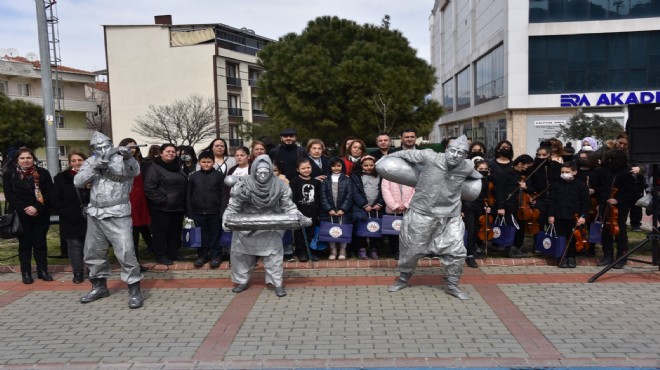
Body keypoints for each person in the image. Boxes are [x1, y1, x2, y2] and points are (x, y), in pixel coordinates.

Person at [386, 135, 481, 300]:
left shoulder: (466, 166)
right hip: (422, 213)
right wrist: (385, 160)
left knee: (457, 251)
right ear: (446, 150)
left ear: (465, 156)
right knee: (412, 249)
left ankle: (452, 284)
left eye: (460, 152)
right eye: (452, 150)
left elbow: (477, 179)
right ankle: (403, 278)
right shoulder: (429, 156)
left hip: (450, 216)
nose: (455, 155)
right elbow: (403, 155)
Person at [223, 155, 310, 297]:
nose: (262, 175)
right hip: (246, 224)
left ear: (270, 171)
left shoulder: (281, 186)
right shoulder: (242, 184)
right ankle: (242, 281)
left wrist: (300, 217)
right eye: (259, 172)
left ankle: (277, 283)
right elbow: (233, 206)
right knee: (240, 255)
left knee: (274, 256)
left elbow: (289, 207)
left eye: (265, 172)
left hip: (270, 224)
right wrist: (226, 218)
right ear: (253, 170)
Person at [74, 132, 143, 308]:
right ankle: (99, 286)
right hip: (95, 213)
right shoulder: (90, 162)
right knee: (93, 252)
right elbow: (78, 182)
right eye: (99, 148)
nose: (103, 150)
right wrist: (95, 167)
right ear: (93, 149)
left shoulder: (122, 160)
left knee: (126, 252)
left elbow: (135, 171)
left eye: (106, 146)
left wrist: (128, 158)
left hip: (118, 213)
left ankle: (134, 290)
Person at [3, 148, 54, 285]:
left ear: (34, 159)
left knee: (40, 243)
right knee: (25, 244)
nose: (26, 161)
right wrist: (26, 209)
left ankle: (43, 270)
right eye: (22, 158)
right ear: (17, 160)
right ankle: (26, 273)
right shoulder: (10, 175)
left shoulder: (43, 173)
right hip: (21, 215)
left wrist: (36, 207)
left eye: (28, 158)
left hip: (40, 213)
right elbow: (10, 196)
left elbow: (49, 193)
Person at [144, 143, 188, 266]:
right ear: (161, 153)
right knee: (160, 232)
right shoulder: (154, 167)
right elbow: (149, 188)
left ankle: (173, 252)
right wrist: (162, 200)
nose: (171, 153)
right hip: (161, 208)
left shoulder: (178, 167)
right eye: (168, 151)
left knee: (175, 231)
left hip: (178, 207)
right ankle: (161, 255)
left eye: (173, 152)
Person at [51, 150, 90, 284]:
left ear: (85, 161)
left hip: (90, 216)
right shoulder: (61, 177)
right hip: (70, 218)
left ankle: (92, 271)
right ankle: (78, 272)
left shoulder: (93, 175)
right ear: (69, 163)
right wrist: (64, 212)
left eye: (80, 160)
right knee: (75, 246)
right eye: (73, 160)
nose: (77, 163)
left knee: (91, 246)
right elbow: (55, 198)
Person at [598, 149, 636, 268]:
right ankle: (607, 256)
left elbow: (632, 192)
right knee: (605, 229)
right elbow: (600, 188)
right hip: (605, 204)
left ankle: (621, 256)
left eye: (612, 160)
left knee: (619, 229)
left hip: (620, 206)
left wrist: (618, 200)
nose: (610, 162)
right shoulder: (603, 171)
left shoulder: (625, 173)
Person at [548, 162, 590, 268]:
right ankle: (562, 257)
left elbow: (585, 202)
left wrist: (583, 216)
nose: (564, 174)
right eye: (562, 172)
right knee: (561, 237)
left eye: (567, 172)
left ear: (574, 172)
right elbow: (552, 201)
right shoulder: (556, 185)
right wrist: (551, 215)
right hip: (559, 215)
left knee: (573, 238)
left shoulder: (581, 185)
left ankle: (572, 257)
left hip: (574, 216)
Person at [187, 151, 225, 268]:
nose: (206, 164)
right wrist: (189, 212)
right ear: (199, 162)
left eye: (209, 162)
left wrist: (222, 211)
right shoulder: (194, 177)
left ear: (213, 162)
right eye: (204, 162)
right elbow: (189, 195)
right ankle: (202, 255)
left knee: (215, 235)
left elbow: (223, 195)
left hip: (214, 211)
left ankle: (215, 255)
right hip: (198, 211)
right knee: (200, 235)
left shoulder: (219, 176)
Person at [118, 138, 151, 270]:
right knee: (130, 235)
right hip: (126, 200)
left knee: (137, 232)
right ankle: (132, 263)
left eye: (134, 147)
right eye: (129, 147)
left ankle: (136, 262)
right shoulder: (118, 162)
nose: (132, 149)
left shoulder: (141, 162)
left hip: (140, 201)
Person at [494, 154, 535, 258]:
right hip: (508, 204)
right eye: (526, 166)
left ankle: (517, 247)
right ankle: (509, 249)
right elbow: (498, 190)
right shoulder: (506, 173)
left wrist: (525, 187)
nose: (527, 168)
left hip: (521, 206)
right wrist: (500, 207)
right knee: (512, 227)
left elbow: (531, 190)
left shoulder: (525, 176)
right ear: (520, 163)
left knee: (521, 227)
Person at [351, 155, 384, 260]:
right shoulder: (356, 176)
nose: (369, 167)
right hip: (362, 207)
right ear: (361, 165)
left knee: (375, 227)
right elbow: (354, 192)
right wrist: (364, 204)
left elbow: (384, 191)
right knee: (361, 229)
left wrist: (379, 203)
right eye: (366, 165)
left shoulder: (381, 175)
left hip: (376, 207)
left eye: (371, 165)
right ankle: (362, 249)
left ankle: (374, 249)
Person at [319, 157, 353, 260]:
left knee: (343, 229)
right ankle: (333, 250)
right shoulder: (326, 180)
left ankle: (343, 250)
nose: (336, 168)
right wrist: (329, 209)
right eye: (333, 166)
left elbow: (349, 195)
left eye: (338, 166)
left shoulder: (347, 180)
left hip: (343, 212)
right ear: (330, 167)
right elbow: (323, 196)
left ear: (342, 167)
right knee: (331, 230)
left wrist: (343, 209)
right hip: (330, 211)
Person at [289, 157, 321, 262]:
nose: (306, 170)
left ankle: (312, 251)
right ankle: (301, 252)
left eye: (308, 167)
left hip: (313, 211)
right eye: (303, 168)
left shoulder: (315, 182)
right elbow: (293, 198)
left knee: (312, 233)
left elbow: (318, 198)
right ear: (298, 170)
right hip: (300, 212)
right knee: (300, 234)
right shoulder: (294, 181)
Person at [461, 159, 491, 268]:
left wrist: (487, 206)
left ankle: (473, 250)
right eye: (480, 169)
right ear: (475, 169)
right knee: (470, 230)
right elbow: (461, 195)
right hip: (468, 207)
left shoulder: (486, 181)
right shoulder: (468, 180)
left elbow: (485, 196)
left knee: (477, 230)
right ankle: (469, 255)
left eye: (485, 169)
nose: (483, 171)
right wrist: (460, 209)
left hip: (479, 208)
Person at [381, 177, 415, 260]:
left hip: (408, 209)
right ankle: (395, 251)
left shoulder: (410, 175)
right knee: (393, 232)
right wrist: (394, 205)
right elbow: (385, 191)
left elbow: (415, 191)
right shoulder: (387, 176)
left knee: (408, 231)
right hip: (393, 209)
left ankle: (408, 252)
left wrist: (407, 205)